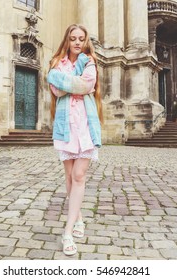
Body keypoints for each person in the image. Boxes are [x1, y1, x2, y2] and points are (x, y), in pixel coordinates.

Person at [47, 24, 103, 256]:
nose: (77, 42)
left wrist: (67, 82)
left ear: (85, 40)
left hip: (85, 125)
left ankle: (68, 231)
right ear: (67, 41)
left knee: (79, 176)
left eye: (81, 38)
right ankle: (78, 218)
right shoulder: (56, 64)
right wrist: (74, 85)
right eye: (73, 39)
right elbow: (55, 89)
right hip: (66, 125)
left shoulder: (90, 62)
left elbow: (88, 84)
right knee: (69, 176)